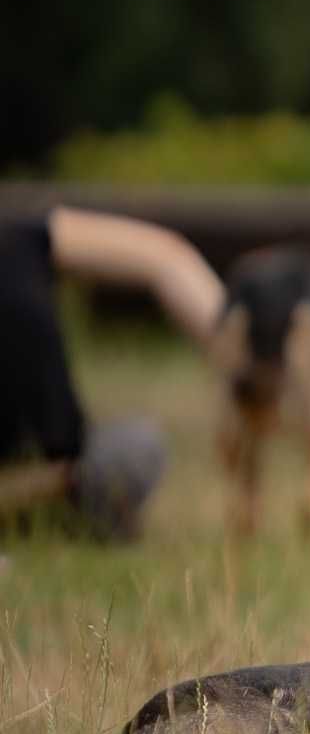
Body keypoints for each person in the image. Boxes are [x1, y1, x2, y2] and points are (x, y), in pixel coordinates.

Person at [0, 206, 225, 541]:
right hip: (35, 481)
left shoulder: (17, 242)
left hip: (69, 467)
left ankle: (60, 513)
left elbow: (165, 257)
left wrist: (247, 362)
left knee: (135, 449)